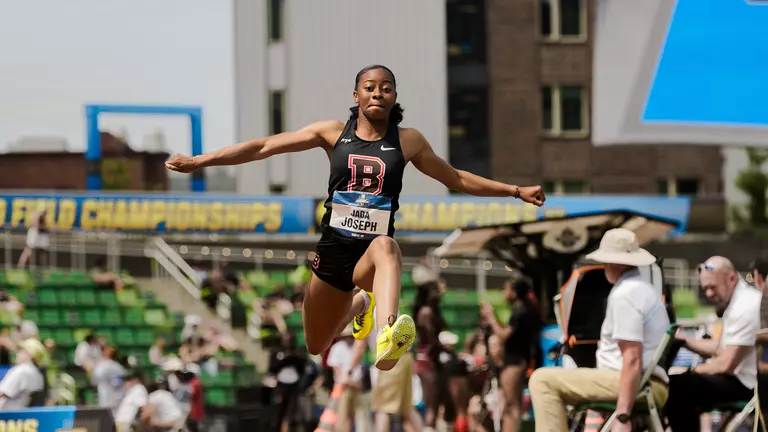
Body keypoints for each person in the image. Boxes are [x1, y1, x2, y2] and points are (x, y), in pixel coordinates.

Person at [165, 64, 546, 370]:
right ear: (356, 95)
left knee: (388, 247)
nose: (377, 92)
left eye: (385, 87)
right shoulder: (332, 132)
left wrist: (515, 190)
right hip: (332, 252)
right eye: (369, 86)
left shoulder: (408, 140)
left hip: (369, 256)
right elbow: (264, 146)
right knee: (317, 345)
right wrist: (201, 160)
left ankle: (389, 333)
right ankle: (361, 305)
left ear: (394, 96)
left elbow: (457, 178)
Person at [528, 228, 669, 432]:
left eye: (605, 262)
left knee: (542, 381)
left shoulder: (625, 294)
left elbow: (632, 358)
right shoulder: (644, 289)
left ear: (614, 263)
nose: (603, 267)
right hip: (649, 383)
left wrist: (623, 413)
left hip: (633, 384)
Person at [665, 256, 760, 431]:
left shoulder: (746, 306)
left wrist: (689, 372)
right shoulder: (737, 301)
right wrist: (684, 341)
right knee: (678, 384)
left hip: (748, 384)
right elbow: (720, 348)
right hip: (741, 378)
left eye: (713, 287)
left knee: (677, 388)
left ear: (731, 278)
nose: (708, 294)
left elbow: (725, 364)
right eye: (705, 288)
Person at [481, 278, 543, 432]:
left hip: (515, 362)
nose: (504, 293)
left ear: (515, 292)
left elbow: (503, 335)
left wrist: (490, 316)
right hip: (518, 360)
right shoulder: (527, 309)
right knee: (511, 405)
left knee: (511, 405)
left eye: (506, 289)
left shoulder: (520, 311)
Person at [0, 338, 46, 410]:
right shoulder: (38, 374)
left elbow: (2, 393)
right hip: (24, 415)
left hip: (7, 415)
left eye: (21, 351)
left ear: (30, 354)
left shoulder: (21, 370)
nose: (18, 353)